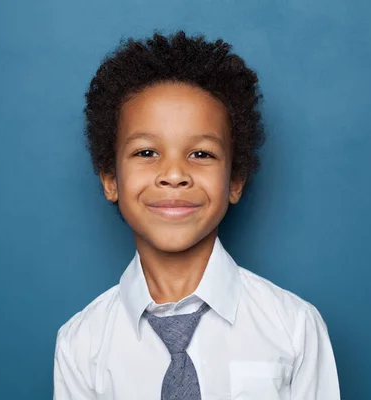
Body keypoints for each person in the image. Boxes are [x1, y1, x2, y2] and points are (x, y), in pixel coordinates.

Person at [53, 30, 340, 400]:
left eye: (201, 154)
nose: (174, 175)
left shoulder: (294, 328)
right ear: (111, 180)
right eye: (146, 153)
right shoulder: (81, 344)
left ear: (235, 181)